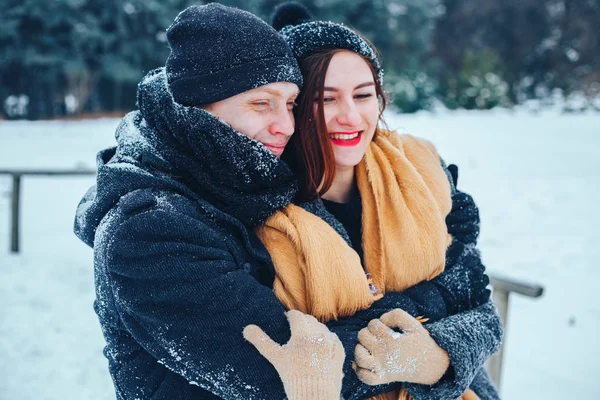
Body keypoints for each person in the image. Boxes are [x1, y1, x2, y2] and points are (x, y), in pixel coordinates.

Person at [243, 3, 503, 400]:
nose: (350, 116)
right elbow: (280, 359)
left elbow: (482, 313)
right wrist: (421, 310)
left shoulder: (421, 172)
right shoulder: (257, 206)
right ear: (293, 107)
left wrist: (437, 358)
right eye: (326, 99)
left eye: (363, 95)